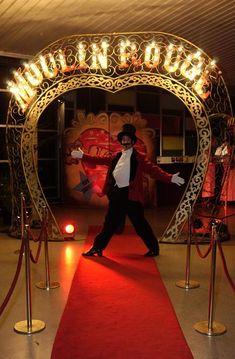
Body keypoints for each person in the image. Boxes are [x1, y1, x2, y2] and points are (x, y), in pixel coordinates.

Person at [71, 124, 185, 257]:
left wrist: (170, 178)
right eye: (123, 139)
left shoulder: (139, 157)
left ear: (132, 141)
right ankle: (97, 247)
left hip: (131, 196)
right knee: (109, 224)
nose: (125, 142)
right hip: (117, 194)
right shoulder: (116, 156)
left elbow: (153, 170)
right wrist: (83, 156)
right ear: (121, 141)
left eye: (128, 139)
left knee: (140, 224)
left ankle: (154, 248)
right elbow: (99, 159)